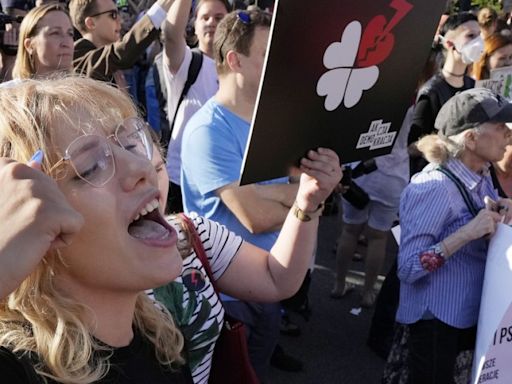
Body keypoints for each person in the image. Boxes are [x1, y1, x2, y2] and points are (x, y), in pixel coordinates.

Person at [0, 75, 341, 383]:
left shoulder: (159, 337)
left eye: (131, 143)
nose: (141, 167)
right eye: (91, 166)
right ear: (26, 222)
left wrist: (306, 204)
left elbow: (276, 277)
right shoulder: (24, 368)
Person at [180, 9, 311, 382]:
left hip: (267, 285)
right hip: (231, 297)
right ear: (235, 60)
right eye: (269, 56)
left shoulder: (271, 121)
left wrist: (289, 195)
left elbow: (286, 196)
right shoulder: (208, 131)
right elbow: (255, 215)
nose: (282, 66)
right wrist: (301, 195)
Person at [397, 88, 512, 384]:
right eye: (500, 128)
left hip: (466, 313)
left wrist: (502, 212)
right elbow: (408, 268)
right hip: (435, 322)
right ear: (471, 138)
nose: (508, 134)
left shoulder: (482, 174)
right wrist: (466, 233)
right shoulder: (433, 186)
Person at [160, 0, 230, 212]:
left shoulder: (240, 68)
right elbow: (171, 33)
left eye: (219, 18)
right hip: (181, 182)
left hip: (226, 182)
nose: (211, 23)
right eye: (205, 17)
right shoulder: (187, 62)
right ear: (194, 25)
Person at [408, 12, 480, 175]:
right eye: (470, 35)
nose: (478, 42)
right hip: (437, 177)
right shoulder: (431, 91)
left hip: (467, 176)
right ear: (449, 43)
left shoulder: (472, 86)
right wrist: (440, 145)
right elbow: (412, 146)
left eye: (479, 35)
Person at [69, 0, 174, 84]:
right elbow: (120, 52)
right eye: (113, 15)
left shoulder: (113, 67)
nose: (120, 20)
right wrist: (161, 8)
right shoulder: (78, 54)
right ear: (91, 23)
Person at [9, 3, 74, 81]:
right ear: (29, 45)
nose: (66, 43)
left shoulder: (85, 91)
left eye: (70, 34)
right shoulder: (8, 92)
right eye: (55, 33)